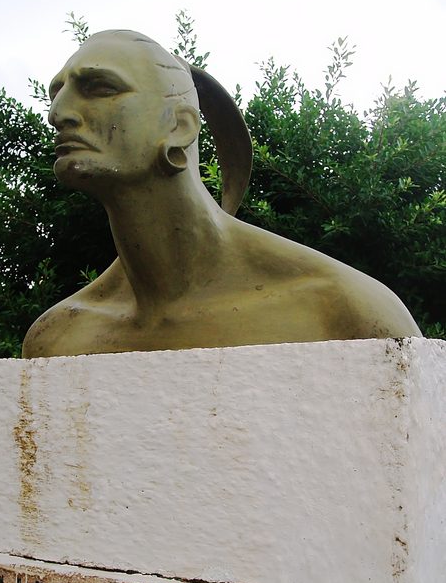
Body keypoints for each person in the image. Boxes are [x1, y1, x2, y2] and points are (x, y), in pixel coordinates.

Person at [22, 30, 421, 358]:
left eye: (99, 87)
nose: (58, 113)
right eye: (56, 91)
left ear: (180, 127)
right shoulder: (57, 339)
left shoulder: (345, 312)